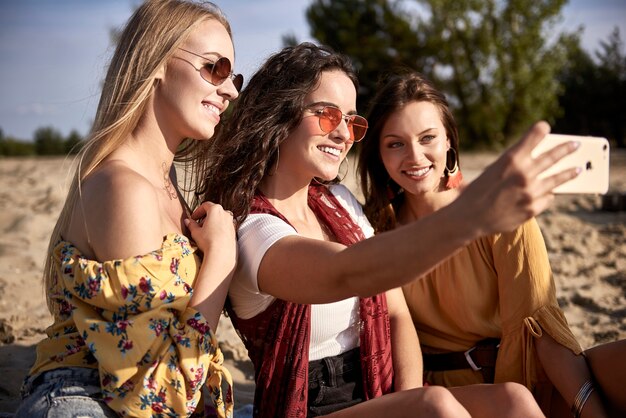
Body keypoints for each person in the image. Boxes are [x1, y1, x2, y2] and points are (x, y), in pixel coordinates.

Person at [199, 42, 580, 418]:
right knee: (436, 406)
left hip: (379, 390)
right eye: (327, 115)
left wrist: (408, 399)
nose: (344, 134)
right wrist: (470, 216)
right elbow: (349, 271)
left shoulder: (339, 203)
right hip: (309, 406)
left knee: (511, 400)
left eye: (351, 120)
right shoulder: (252, 230)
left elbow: (396, 312)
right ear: (280, 114)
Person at [15, 1, 242, 417]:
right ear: (156, 62)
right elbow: (149, 397)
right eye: (216, 68)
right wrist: (222, 258)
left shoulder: (164, 182)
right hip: (86, 401)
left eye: (234, 76)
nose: (230, 90)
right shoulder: (124, 187)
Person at [358, 71, 625, 418]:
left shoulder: (501, 211)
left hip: (529, 372)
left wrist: (590, 410)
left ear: (449, 142)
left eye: (428, 138)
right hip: (451, 395)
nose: (414, 156)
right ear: (379, 153)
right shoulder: (374, 229)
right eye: (396, 143)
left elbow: (542, 327)